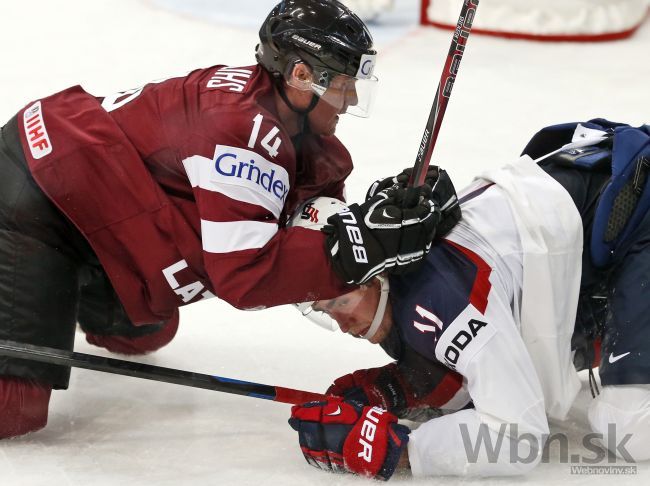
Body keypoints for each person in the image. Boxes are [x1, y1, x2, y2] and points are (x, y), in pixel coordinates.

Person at [0, 0, 453, 439]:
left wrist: (382, 238)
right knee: (13, 408)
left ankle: (39, 294)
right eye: (341, 85)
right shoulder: (237, 131)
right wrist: (363, 246)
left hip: (96, 219)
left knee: (143, 332)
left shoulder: (308, 143)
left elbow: (324, 240)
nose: (350, 98)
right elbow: (244, 274)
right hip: (39, 196)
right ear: (300, 75)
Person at [287, 118, 650, 479]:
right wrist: (397, 389)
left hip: (635, 214)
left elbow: (518, 438)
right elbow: (480, 379)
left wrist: (399, 451)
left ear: (374, 274)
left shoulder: (441, 296)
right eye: (325, 310)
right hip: (596, 214)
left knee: (631, 427)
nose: (343, 325)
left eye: (340, 303)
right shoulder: (401, 273)